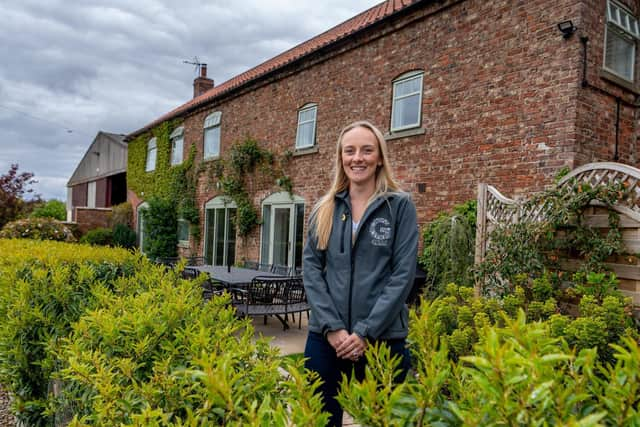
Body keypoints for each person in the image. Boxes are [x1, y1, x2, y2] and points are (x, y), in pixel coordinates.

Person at [303, 120, 418, 426]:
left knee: (382, 420)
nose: (358, 158)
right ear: (341, 157)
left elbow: (403, 274)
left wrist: (366, 331)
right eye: (350, 151)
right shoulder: (324, 208)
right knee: (320, 419)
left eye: (367, 150)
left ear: (380, 157)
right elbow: (312, 270)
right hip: (327, 337)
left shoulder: (400, 207)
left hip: (383, 338)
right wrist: (333, 328)